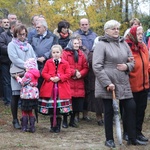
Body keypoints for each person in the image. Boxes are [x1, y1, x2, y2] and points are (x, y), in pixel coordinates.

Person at [92, 20, 143, 148]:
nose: (116, 31)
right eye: (113, 28)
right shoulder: (101, 44)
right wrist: (107, 83)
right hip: (108, 83)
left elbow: (132, 61)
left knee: (131, 107)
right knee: (108, 111)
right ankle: (109, 139)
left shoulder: (124, 43)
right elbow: (97, 66)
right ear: (106, 30)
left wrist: (126, 66)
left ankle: (131, 137)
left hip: (123, 81)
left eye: (117, 28)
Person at [7, 24, 37, 129]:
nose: (22, 37)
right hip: (17, 73)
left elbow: (34, 57)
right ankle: (15, 119)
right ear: (16, 34)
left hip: (29, 74)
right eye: (20, 35)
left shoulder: (28, 46)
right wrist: (26, 65)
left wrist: (34, 70)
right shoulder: (12, 45)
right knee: (15, 96)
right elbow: (14, 58)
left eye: (24, 34)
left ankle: (27, 118)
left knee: (27, 97)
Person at [39, 45, 72, 133]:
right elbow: (44, 72)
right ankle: (52, 126)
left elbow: (68, 73)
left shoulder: (65, 63)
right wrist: (50, 78)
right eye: (54, 52)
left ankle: (58, 126)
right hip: (50, 89)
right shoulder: (48, 62)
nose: (55, 54)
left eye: (57, 52)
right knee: (51, 108)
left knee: (58, 108)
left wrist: (60, 78)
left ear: (61, 53)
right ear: (51, 53)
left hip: (61, 89)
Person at [125, 26, 149, 143]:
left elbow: (147, 63)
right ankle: (129, 134)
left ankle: (138, 133)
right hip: (131, 86)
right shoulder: (127, 47)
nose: (140, 35)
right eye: (138, 33)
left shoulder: (143, 46)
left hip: (144, 85)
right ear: (133, 34)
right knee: (130, 112)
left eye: (141, 33)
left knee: (141, 111)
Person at [74, 18, 97, 121]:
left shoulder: (94, 35)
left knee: (88, 91)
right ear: (79, 25)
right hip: (77, 68)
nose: (84, 26)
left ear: (89, 25)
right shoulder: (75, 35)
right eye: (82, 24)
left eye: (86, 24)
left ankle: (85, 113)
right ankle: (76, 113)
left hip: (90, 66)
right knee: (79, 92)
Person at [62, 38, 89, 128]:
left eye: (78, 43)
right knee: (67, 103)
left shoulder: (82, 55)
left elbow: (85, 67)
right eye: (75, 43)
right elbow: (64, 66)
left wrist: (80, 74)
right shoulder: (65, 53)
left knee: (77, 104)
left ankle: (72, 120)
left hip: (79, 82)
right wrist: (74, 72)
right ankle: (65, 120)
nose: (76, 45)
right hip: (68, 81)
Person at [31, 19, 58, 90]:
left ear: (45, 28)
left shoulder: (53, 37)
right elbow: (32, 48)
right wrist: (36, 57)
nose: (37, 29)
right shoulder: (34, 37)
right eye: (36, 27)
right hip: (36, 63)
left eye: (39, 27)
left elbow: (53, 48)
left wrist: (45, 57)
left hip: (48, 63)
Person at [15, 58, 40, 132]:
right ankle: (32, 127)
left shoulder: (28, 74)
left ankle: (24, 127)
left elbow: (23, 82)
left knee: (24, 111)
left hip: (26, 95)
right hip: (34, 95)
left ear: (29, 67)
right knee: (30, 111)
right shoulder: (36, 73)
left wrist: (17, 78)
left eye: (26, 67)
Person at [0, 21, 17, 106]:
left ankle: (17, 101)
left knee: (16, 81)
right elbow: (1, 46)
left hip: (16, 63)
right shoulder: (3, 35)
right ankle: (8, 101)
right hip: (5, 62)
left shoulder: (18, 36)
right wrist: (12, 50)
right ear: (13, 27)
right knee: (6, 82)